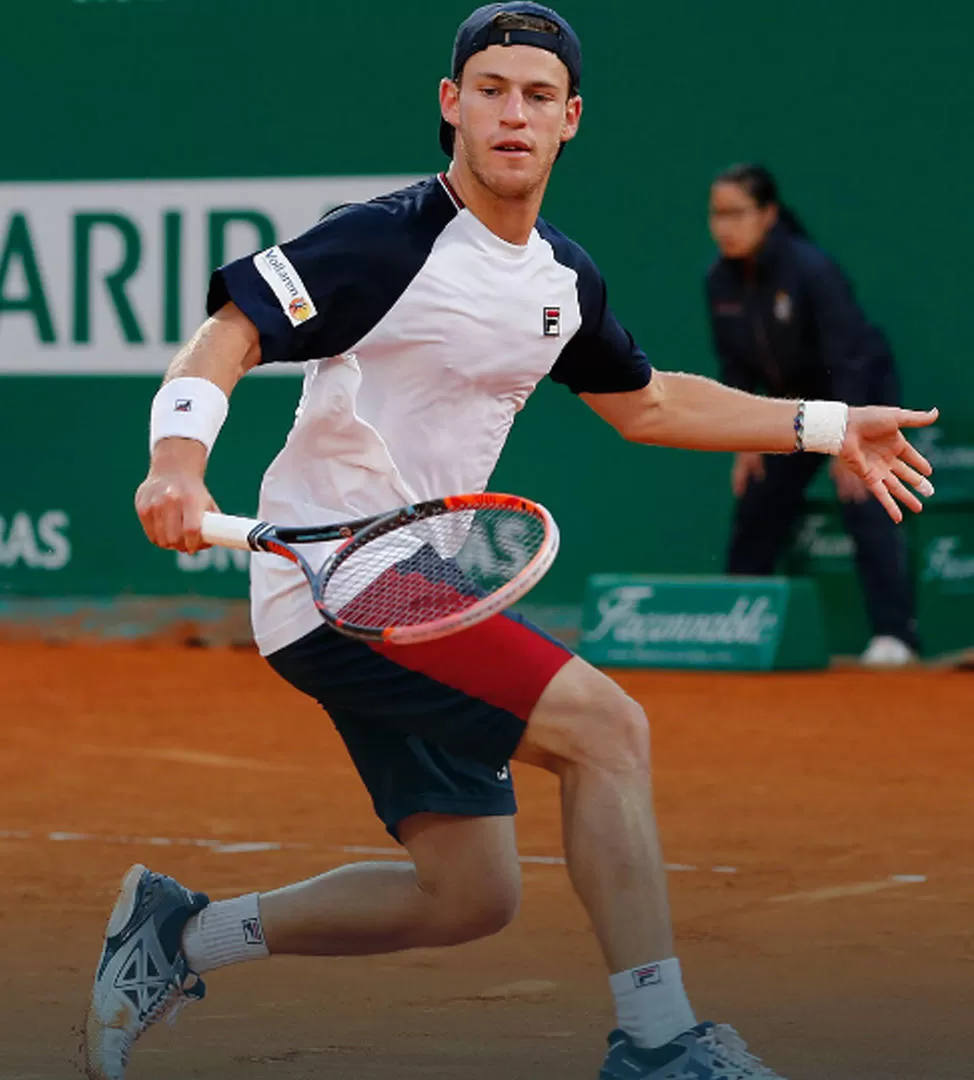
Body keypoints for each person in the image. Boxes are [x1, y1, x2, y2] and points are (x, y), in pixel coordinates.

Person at [82, 7, 937, 1080]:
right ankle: (659, 1041)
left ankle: (176, 935)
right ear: (452, 104)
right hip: (344, 578)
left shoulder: (560, 279)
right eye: (490, 89)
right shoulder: (383, 238)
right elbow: (231, 330)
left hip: (426, 583)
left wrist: (819, 424)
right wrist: (177, 461)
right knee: (609, 731)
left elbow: (649, 402)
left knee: (468, 895)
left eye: (537, 96)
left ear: (569, 119)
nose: (512, 113)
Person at [706, 163, 920, 667]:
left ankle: (895, 637)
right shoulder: (718, 281)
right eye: (716, 215)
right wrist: (744, 438)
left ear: (768, 215)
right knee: (758, 496)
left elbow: (849, 357)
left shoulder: (811, 270)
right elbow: (734, 366)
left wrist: (848, 439)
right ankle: (736, 624)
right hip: (791, 404)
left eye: (736, 213)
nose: (724, 226)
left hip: (856, 393)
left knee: (863, 494)